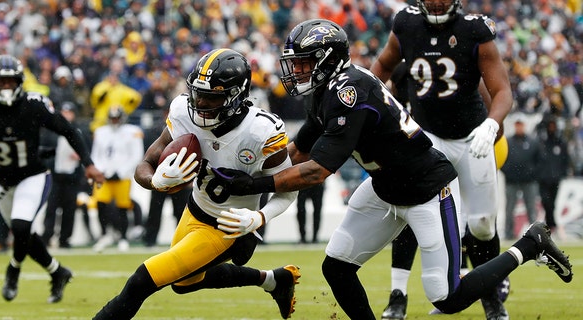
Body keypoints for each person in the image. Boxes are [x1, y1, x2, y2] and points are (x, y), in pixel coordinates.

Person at [212, 19, 572, 320]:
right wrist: (251, 169)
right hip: (385, 186)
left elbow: (316, 170)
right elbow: (299, 150)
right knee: (336, 267)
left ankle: (529, 244)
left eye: (305, 63)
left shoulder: (347, 93)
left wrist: (250, 184)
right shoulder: (327, 91)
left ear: (327, 60)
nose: (298, 71)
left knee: (446, 297)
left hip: (427, 191)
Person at [93, 48, 301, 320]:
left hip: (228, 227)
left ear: (236, 96)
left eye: (210, 97)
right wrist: (155, 182)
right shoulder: (183, 111)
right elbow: (144, 164)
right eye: (197, 93)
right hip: (194, 210)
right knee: (183, 283)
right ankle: (275, 280)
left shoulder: (260, 131)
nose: (199, 103)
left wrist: (260, 217)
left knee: (141, 282)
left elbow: (289, 188)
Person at [369, 1, 515, 318]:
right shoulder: (406, 24)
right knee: (411, 206)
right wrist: (370, 111)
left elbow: (502, 89)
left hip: (470, 137)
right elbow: (380, 68)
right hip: (428, 137)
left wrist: (490, 125)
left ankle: (490, 295)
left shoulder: (474, 30)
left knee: (481, 225)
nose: (436, 2)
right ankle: (401, 295)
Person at [0, 54, 105, 303]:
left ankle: (13, 270)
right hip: (2, 180)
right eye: (1, 82)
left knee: (21, 227)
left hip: (33, 175)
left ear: (20, 82)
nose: (6, 87)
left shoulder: (33, 104)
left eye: (11, 82)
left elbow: (68, 129)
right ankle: (58, 272)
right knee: (23, 234)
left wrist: (89, 164)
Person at [90, 106, 144, 252]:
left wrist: (120, 171)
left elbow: (136, 155)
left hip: (123, 176)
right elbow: (96, 155)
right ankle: (104, 235)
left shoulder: (132, 132)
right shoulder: (101, 132)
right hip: (104, 176)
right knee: (100, 203)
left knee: (123, 207)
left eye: (117, 118)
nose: (115, 121)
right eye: (112, 118)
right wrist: (102, 171)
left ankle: (123, 238)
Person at [41, 102, 85, 248]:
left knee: (69, 209)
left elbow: (87, 150)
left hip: (72, 176)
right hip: (55, 176)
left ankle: (65, 238)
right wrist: (53, 156)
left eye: (69, 112)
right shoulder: (51, 132)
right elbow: (43, 150)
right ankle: (47, 235)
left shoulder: (79, 132)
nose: (67, 115)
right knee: (51, 208)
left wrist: (80, 156)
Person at [501, 119, 542, 240]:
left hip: (529, 181)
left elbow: (539, 160)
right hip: (511, 181)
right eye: (517, 125)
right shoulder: (508, 142)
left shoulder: (532, 142)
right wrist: (509, 172)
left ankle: (534, 234)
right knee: (510, 208)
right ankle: (509, 233)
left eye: (521, 125)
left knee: (531, 208)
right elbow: (502, 159)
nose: (519, 127)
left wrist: (532, 173)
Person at [537, 116, 572, 233]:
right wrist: (539, 172)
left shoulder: (561, 142)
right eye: (550, 125)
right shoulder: (542, 142)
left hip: (555, 178)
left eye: (553, 126)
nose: (552, 128)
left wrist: (562, 173)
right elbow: (536, 159)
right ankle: (551, 224)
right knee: (546, 201)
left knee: (552, 202)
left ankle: (550, 224)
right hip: (543, 178)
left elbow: (565, 159)